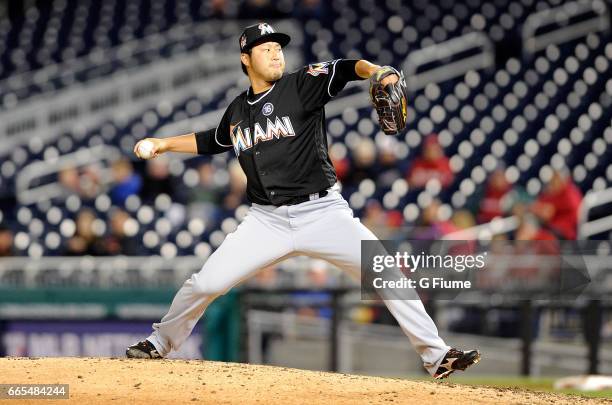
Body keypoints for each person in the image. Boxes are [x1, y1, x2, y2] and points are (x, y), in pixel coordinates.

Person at [125, 22, 480, 379]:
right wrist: (164, 143)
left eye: (278, 46)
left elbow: (344, 67)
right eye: (265, 48)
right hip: (267, 221)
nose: (275, 52)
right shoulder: (237, 111)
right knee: (205, 284)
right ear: (246, 59)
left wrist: (376, 71)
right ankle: (159, 343)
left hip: (322, 212)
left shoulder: (301, 84)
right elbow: (212, 140)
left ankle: (437, 356)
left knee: (385, 272)